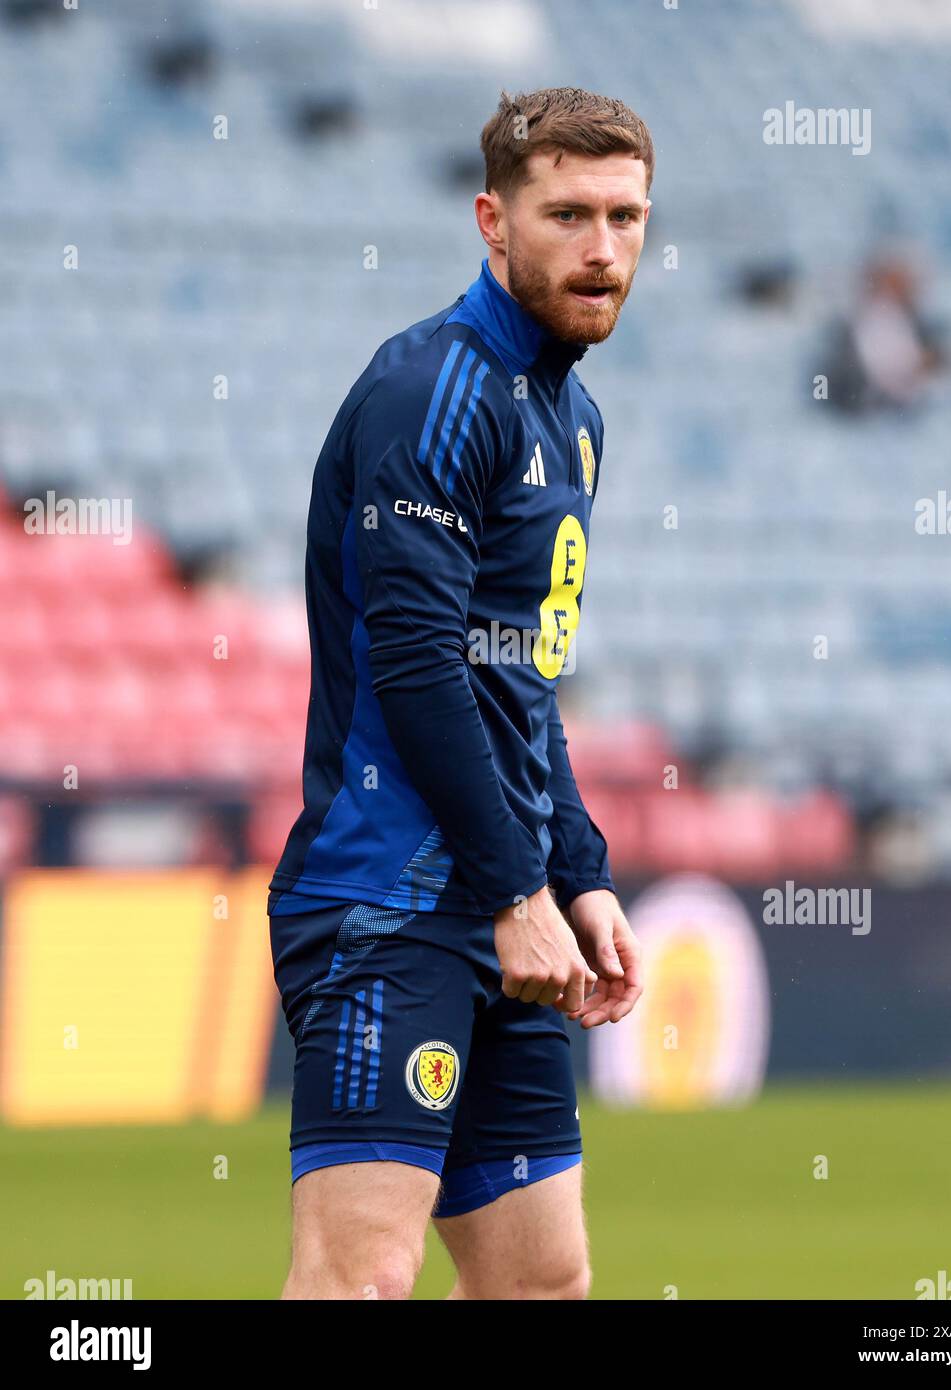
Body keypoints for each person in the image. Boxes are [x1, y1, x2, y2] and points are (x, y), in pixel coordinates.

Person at [268, 87, 650, 1300]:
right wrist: (515, 885)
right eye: (568, 214)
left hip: (511, 905)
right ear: (492, 220)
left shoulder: (573, 416)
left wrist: (578, 872)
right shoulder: (430, 388)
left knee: (543, 1278)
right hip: (390, 897)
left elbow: (522, 684)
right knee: (357, 1279)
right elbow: (417, 661)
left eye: (627, 217)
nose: (602, 248)